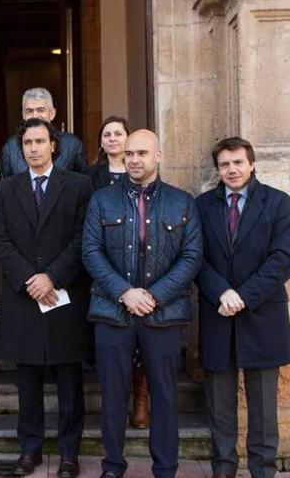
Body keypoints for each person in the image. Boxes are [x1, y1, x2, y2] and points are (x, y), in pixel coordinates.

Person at [82, 129, 203, 478]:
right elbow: (91, 251)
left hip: (164, 313)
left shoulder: (183, 202)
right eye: (130, 154)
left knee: (164, 395)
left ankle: (165, 467)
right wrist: (125, 292)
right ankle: (112, 466)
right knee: (114, 394)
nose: (134, 160)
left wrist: (155, 295)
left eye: (142, 153)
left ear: (158, 155)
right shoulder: (102, 200)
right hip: (112, 311)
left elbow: (192, 257)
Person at [0, 118, 93, 478]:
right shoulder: (5, 190)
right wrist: (29, 279)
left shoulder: (79, 186)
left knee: (69, 381)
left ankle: (69, 454)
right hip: (23, 298)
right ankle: (29, 450)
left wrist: (52, 277)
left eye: (39, 141)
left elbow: (83, 238)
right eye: (27, 143)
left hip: (65, 295)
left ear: (54, 145)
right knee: (28, 382)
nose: (33, 148)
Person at [195, 137, 290, 478]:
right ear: (218, 169)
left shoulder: (278, 203)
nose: (232, 169)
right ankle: (223, 468)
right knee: (219, 403)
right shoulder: (202, 206)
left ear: (251, 164)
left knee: (264, 406)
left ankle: (262, 470)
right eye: (224, 164)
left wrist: (243, 295)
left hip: (262, 315)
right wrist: (222, 292)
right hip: (218, 313)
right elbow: (196, 259)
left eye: (238, 162)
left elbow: (282, 260)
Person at [84, 116, 150, 429]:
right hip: (103, 273)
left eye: (118, 133)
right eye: (106, 134)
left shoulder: (145, 179)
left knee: (141, 345)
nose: (112, 139)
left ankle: (140, 396)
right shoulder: (90, 177)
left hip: (143, 274)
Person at [0, 87, 86, 179]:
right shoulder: (10, 146)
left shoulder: (72, 144)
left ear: (52, 113)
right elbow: (4, 185)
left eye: (41, 110)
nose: (35, 116)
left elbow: (83, 183)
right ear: (23, 115)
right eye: (29, 111)